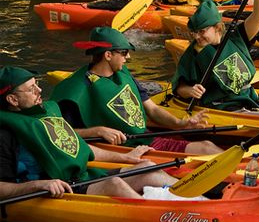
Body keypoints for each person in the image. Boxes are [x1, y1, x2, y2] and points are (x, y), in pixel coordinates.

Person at [0, 66, 178, 200]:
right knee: (113, 184)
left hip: (80, 178)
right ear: (12, 99)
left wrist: (128, 158)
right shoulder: (5, 134)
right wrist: (40, 184)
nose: (39, 90)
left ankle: (197, 200)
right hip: (53, 189)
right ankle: (166, 215)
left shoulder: (43, 114)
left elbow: (80, 148)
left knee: (146, 166)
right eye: (31, 89)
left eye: (37, 84)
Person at [50, 27, 222, 154]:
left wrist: (182, 123)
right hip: (126, 148)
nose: (128, 57)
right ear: (108, 55)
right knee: (205, 148)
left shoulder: (123, 74)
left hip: (143, 137)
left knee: (206, 144)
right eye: (124, 53)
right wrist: (98, 131)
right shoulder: (75, 90)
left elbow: (152, 110)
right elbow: (58, 134)